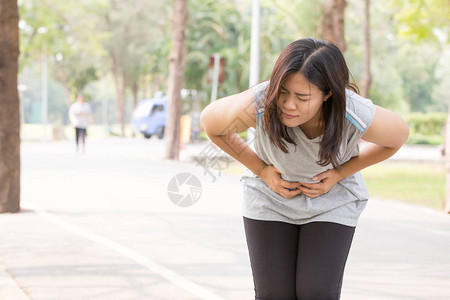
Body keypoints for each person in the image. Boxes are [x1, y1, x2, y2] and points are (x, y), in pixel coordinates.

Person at [200, 38, 409, 299]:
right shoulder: (262, 102)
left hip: (331, 202)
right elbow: (212, 124)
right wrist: (262, 169)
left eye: (302, 97)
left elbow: (398, 136)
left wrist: (339, 174)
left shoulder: (352, 111)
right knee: (274, 294)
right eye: (284, 92)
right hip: (269, 200)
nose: (288, 104)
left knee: (315, 292)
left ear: (328, 93)